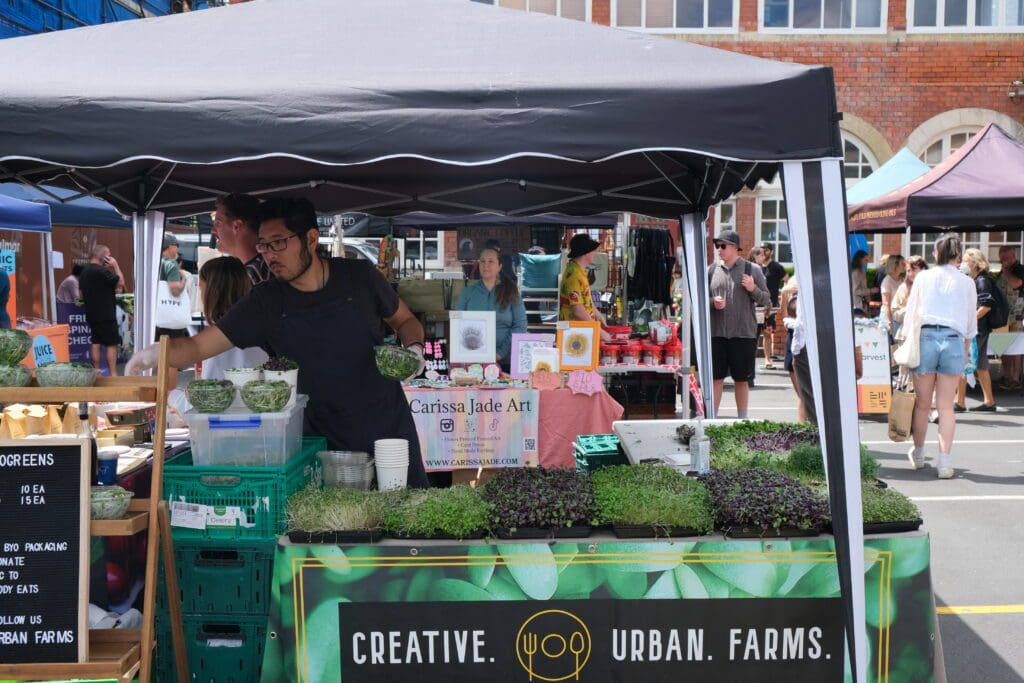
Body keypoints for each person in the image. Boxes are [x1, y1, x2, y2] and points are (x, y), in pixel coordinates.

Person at [128, 197, 429, 488]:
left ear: (311, 239)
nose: (269, 255)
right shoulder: (265, 302)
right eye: (263, 245)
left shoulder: (359, 277)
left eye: (279, 243)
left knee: (405, 515)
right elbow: (197, 347)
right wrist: (154, 353)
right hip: (320, 442)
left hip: (386, 430)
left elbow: (405, 320)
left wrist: (415, 350)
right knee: (335, 521)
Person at [904, 233, 977, 479]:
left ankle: (919, 453)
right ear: (958, 254)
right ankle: (944, 462)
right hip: (954, 339)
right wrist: (965, 349)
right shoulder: (966, 282)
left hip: (926, 338)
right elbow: (970, 322)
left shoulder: (923, 277)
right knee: (946, 407)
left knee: (923, 404)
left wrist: (906, 343)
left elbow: (911, 313)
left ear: (937, 253)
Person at [708, 230, 771, 418]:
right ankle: (712, 417)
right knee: (715, 378)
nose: (719, 249)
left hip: (743, 333)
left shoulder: (752, 269)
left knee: (741, 379)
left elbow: (766, 299)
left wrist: (753, 288)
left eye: (723, 245)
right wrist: (712, 302)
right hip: (717, 333)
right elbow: (700, 300)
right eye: (717, 246)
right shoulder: (711, 270)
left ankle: (742, 419)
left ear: (735, 247)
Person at [456, 246, 527, 373]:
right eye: (482, 261)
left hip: (507, 361)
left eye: (491, 261)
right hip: (474, 362)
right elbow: (457, 325)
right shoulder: (467, 293)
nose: (486, 265)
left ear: (499, 266)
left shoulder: (511, 291)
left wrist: (500, 353)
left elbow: (520, 326)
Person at [197, 257, 269, 379]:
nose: (201, 295)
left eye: (201, 288)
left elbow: (211, 382)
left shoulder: (221, 332)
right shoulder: (257, 321)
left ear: (212, 291)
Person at [955, 248, 998, 412]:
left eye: (966, 260)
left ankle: (960, 402)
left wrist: (969, 320)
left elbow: (986, 306)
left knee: (963, 361)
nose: (962, 263)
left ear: (975, 262)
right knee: (981, 364)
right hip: (981, 328)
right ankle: (989, 401)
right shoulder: (978, 279)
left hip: (976, 329)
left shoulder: (981, 281)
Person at [78, 244, 124, 375]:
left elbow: (80, 295)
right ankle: (113, 375)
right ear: (103, 257)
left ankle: (97, 373)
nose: (110, 258)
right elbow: (121, 283)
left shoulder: (84, 271)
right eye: (109, 256)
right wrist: (115, 265)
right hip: (106, 314)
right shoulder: (102, 271)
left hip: (91, 314)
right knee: (111, 344)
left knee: (96, 342)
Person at [559, 233, 611, 343]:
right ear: (585, 253)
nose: (594, 253)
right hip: (573, 332)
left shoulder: (578, 270)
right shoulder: (574, 275)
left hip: (579, 329)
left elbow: (584, 298)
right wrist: (599, 331)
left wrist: (596, 313)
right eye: (592, 250)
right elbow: (577, 310)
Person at [213, 193, 270, 285]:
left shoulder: (255, 278)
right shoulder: (265, 268)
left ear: (236, 226)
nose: (213, 230)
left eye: (217, 224)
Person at [756, 244, 787, 370]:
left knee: (767, 333)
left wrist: (783, 295)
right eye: (762, 250)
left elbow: (787, 280)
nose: (764, 252)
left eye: (766, 250)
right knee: (753, 334)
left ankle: (767, 359)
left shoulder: (777, 267)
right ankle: (749, 360)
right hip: (756, 305)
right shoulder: (756, 267)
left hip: (770, 306)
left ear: (772, 252)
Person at [996, 246, 1022, 390]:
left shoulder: (1020, 269)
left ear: (1013, 257)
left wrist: (1006, 270)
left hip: (1015, 315)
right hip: (1002, 315)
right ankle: (1006, 376)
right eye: (1001, 259)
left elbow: (1016, 284)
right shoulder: (1002, 271)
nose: (1003, 262)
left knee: (1016, 346)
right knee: (1002, 345)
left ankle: (1015, 378)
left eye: (1005, 259)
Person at [779, 277, 804, 422]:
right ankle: (805, 427)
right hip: (795, 336)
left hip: (798, 336)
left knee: (803, 394)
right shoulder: (791, 285)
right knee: (802, 393)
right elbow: (783, 312)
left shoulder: (790, 287)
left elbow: (783, 313)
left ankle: (806, 427)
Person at [891, 256, 927, 328]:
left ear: (923, 269)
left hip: (927, 331)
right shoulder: (903, 288)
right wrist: (908, 311)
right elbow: (894, 311)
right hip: (907, 331)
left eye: (914, 269)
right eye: (908, 271)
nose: (910, 274)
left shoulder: (931, 287)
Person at [879, 254, 906, 331]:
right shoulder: (887, 281)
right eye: (902, 263)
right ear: (895, 265)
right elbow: (886, 304)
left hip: (898, 317)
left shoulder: (902, 280)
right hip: (888, 317)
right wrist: (889, 322)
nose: (905, 265)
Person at [850, 250, 871, 314]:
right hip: (857, 305)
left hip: (861, 305)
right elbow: (855, 291)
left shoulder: (861, 271)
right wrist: (870, 291)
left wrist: (867, 294)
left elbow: (862, 287)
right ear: (859, 259)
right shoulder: (855, 272)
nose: (867, 262)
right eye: (866, 260)